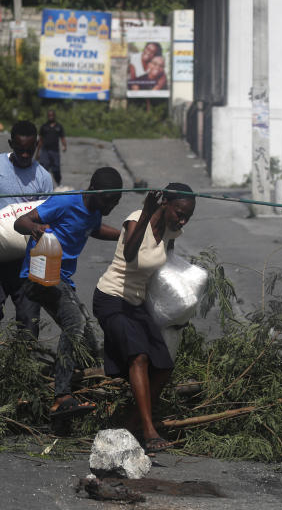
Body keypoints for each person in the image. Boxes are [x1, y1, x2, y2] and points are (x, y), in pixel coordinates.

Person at [13, 166, 124, 420]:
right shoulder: (65, 201)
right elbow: (21, 222)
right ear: (94, 191)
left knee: (87, 342)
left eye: (115, 203)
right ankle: (60, 395)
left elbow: (93, 229)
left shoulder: (95, 209)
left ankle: (67, 390)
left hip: (60, 279)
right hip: (39, 274)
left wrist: (124, 235)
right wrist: (34, 228)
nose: (110, 208)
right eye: (108, 201)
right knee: (72, 324)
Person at [92, 183, 196, 453]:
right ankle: (149, 432)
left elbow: (167, 264)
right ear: (166, 204)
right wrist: (148, 210)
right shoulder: (136, 220)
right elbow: (129, 255)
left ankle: (131, 423)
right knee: (138, 356)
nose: (182, 220)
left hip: (136, 304)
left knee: (163, 366)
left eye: (187, 216)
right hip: (111, 299)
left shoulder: (172, 230)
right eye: (179, 213)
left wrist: (178, 305)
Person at [0, 120, 53, 339]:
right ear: (11, 144)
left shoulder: (44, 178)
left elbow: (47, 216)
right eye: (20, 150)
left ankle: (23, 365)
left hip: (26, 261)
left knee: (28, 319)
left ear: (37, 144)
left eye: (30, 150)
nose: (25, 155)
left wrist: (39, 229)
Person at [35, 109, 67, 187]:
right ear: (47, 116)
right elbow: (40, 140)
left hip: (55, 151)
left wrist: (64, 145)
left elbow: (62, 137)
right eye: (49, 115)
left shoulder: (59, 127)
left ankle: (59, 184)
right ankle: (43, 185)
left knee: (56, 169)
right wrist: (37, 152)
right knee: (44, 168)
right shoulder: (44, 127)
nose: (51, 117)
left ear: (54, 116)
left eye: (52, 115)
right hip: (45, 151)